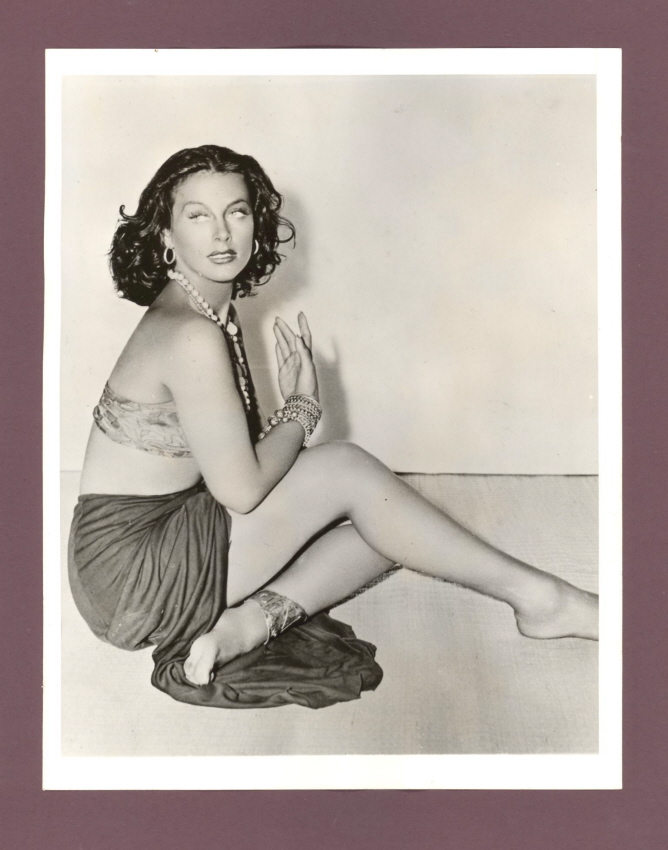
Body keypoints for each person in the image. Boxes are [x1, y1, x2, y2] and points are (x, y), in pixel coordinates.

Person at [69, 144, 598, 710]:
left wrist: (293, 421)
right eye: (198, 215)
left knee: (396, 529)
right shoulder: (191, 332)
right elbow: (242, 491)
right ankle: (542, 600)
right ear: (166, 235)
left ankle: (245, 626)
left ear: (256, 223)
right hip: (132, 574)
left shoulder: (206, 309)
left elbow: (231, 463)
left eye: (237, 212)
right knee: (350, 472)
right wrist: (302, 408)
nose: (222, 233)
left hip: (147, 546)